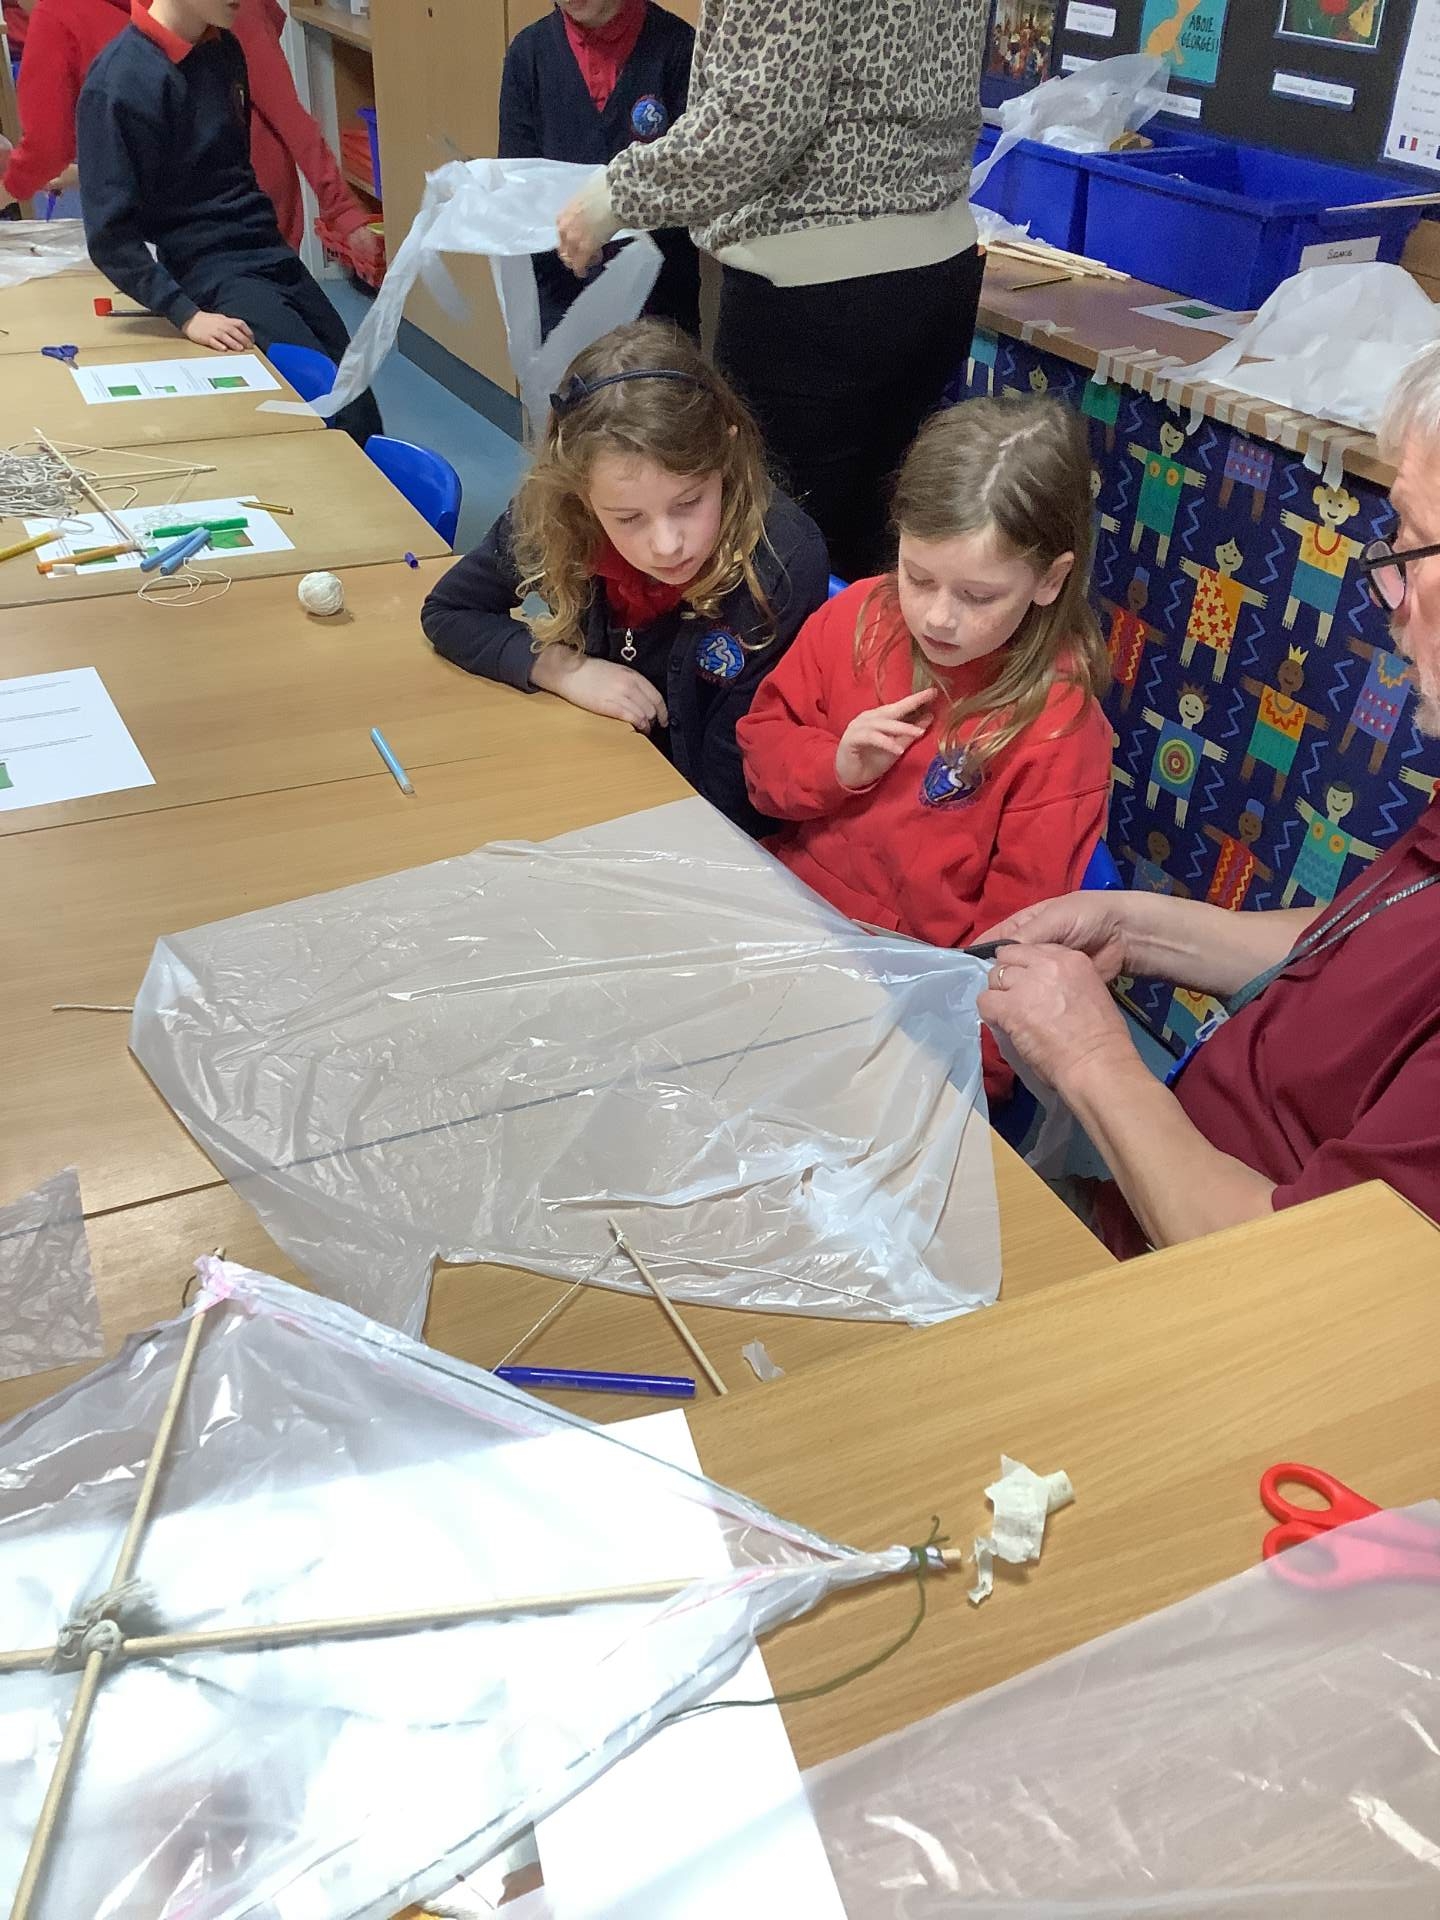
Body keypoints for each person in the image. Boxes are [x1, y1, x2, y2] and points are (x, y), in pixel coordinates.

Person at [977, 343, 1440, 1255]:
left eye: (1414, 546)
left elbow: (1296, 1273)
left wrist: (1092, 1059)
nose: (1385, 592)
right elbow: (1357, 950)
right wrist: (1136, 927)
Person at [737, 395, 1111, 1101]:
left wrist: (961, 1087)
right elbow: (760, 761)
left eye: (978, 596)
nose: (938, 617)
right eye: (918, 576)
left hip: (910, 1008)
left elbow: (1013, 954)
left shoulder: (1057, 732)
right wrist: (835, 766)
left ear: (1049, 580)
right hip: (792, 930)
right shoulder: (856, 618)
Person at [552, 0, 987, 585]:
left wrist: (612, 197)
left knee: (778, 560)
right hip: (939, 262)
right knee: (885, 556)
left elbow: (760, 121)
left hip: (817, 287)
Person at [421, 319, 829, 836]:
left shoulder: (781, 560)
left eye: (689, 503)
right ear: (579, 494)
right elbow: (448, 610)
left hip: (695, 820)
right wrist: (564, 670)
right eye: (628, 518)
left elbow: (736, 785)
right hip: (595, 772)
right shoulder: (556, 518)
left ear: (726, 457)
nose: (667, 545)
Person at [75, 0, 382, 444]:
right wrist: (185, 314)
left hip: (267, 251)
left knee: (357, 399)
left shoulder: (223, 49)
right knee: (326, 410)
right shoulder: (119, 82)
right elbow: (109, 238)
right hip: (209, 270)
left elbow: (233, 169)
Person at [1, 0, 381, 283]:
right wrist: (341, 209)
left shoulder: (58, 14)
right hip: (242, 201)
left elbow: (46, 150)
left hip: (223, 211)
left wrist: (342, 208)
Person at [499, 0, 698, 343]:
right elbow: (519, 182)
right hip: (561, 298)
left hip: (658, 301)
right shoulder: (529, 54)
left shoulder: (679, 47)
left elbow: (692, 182)